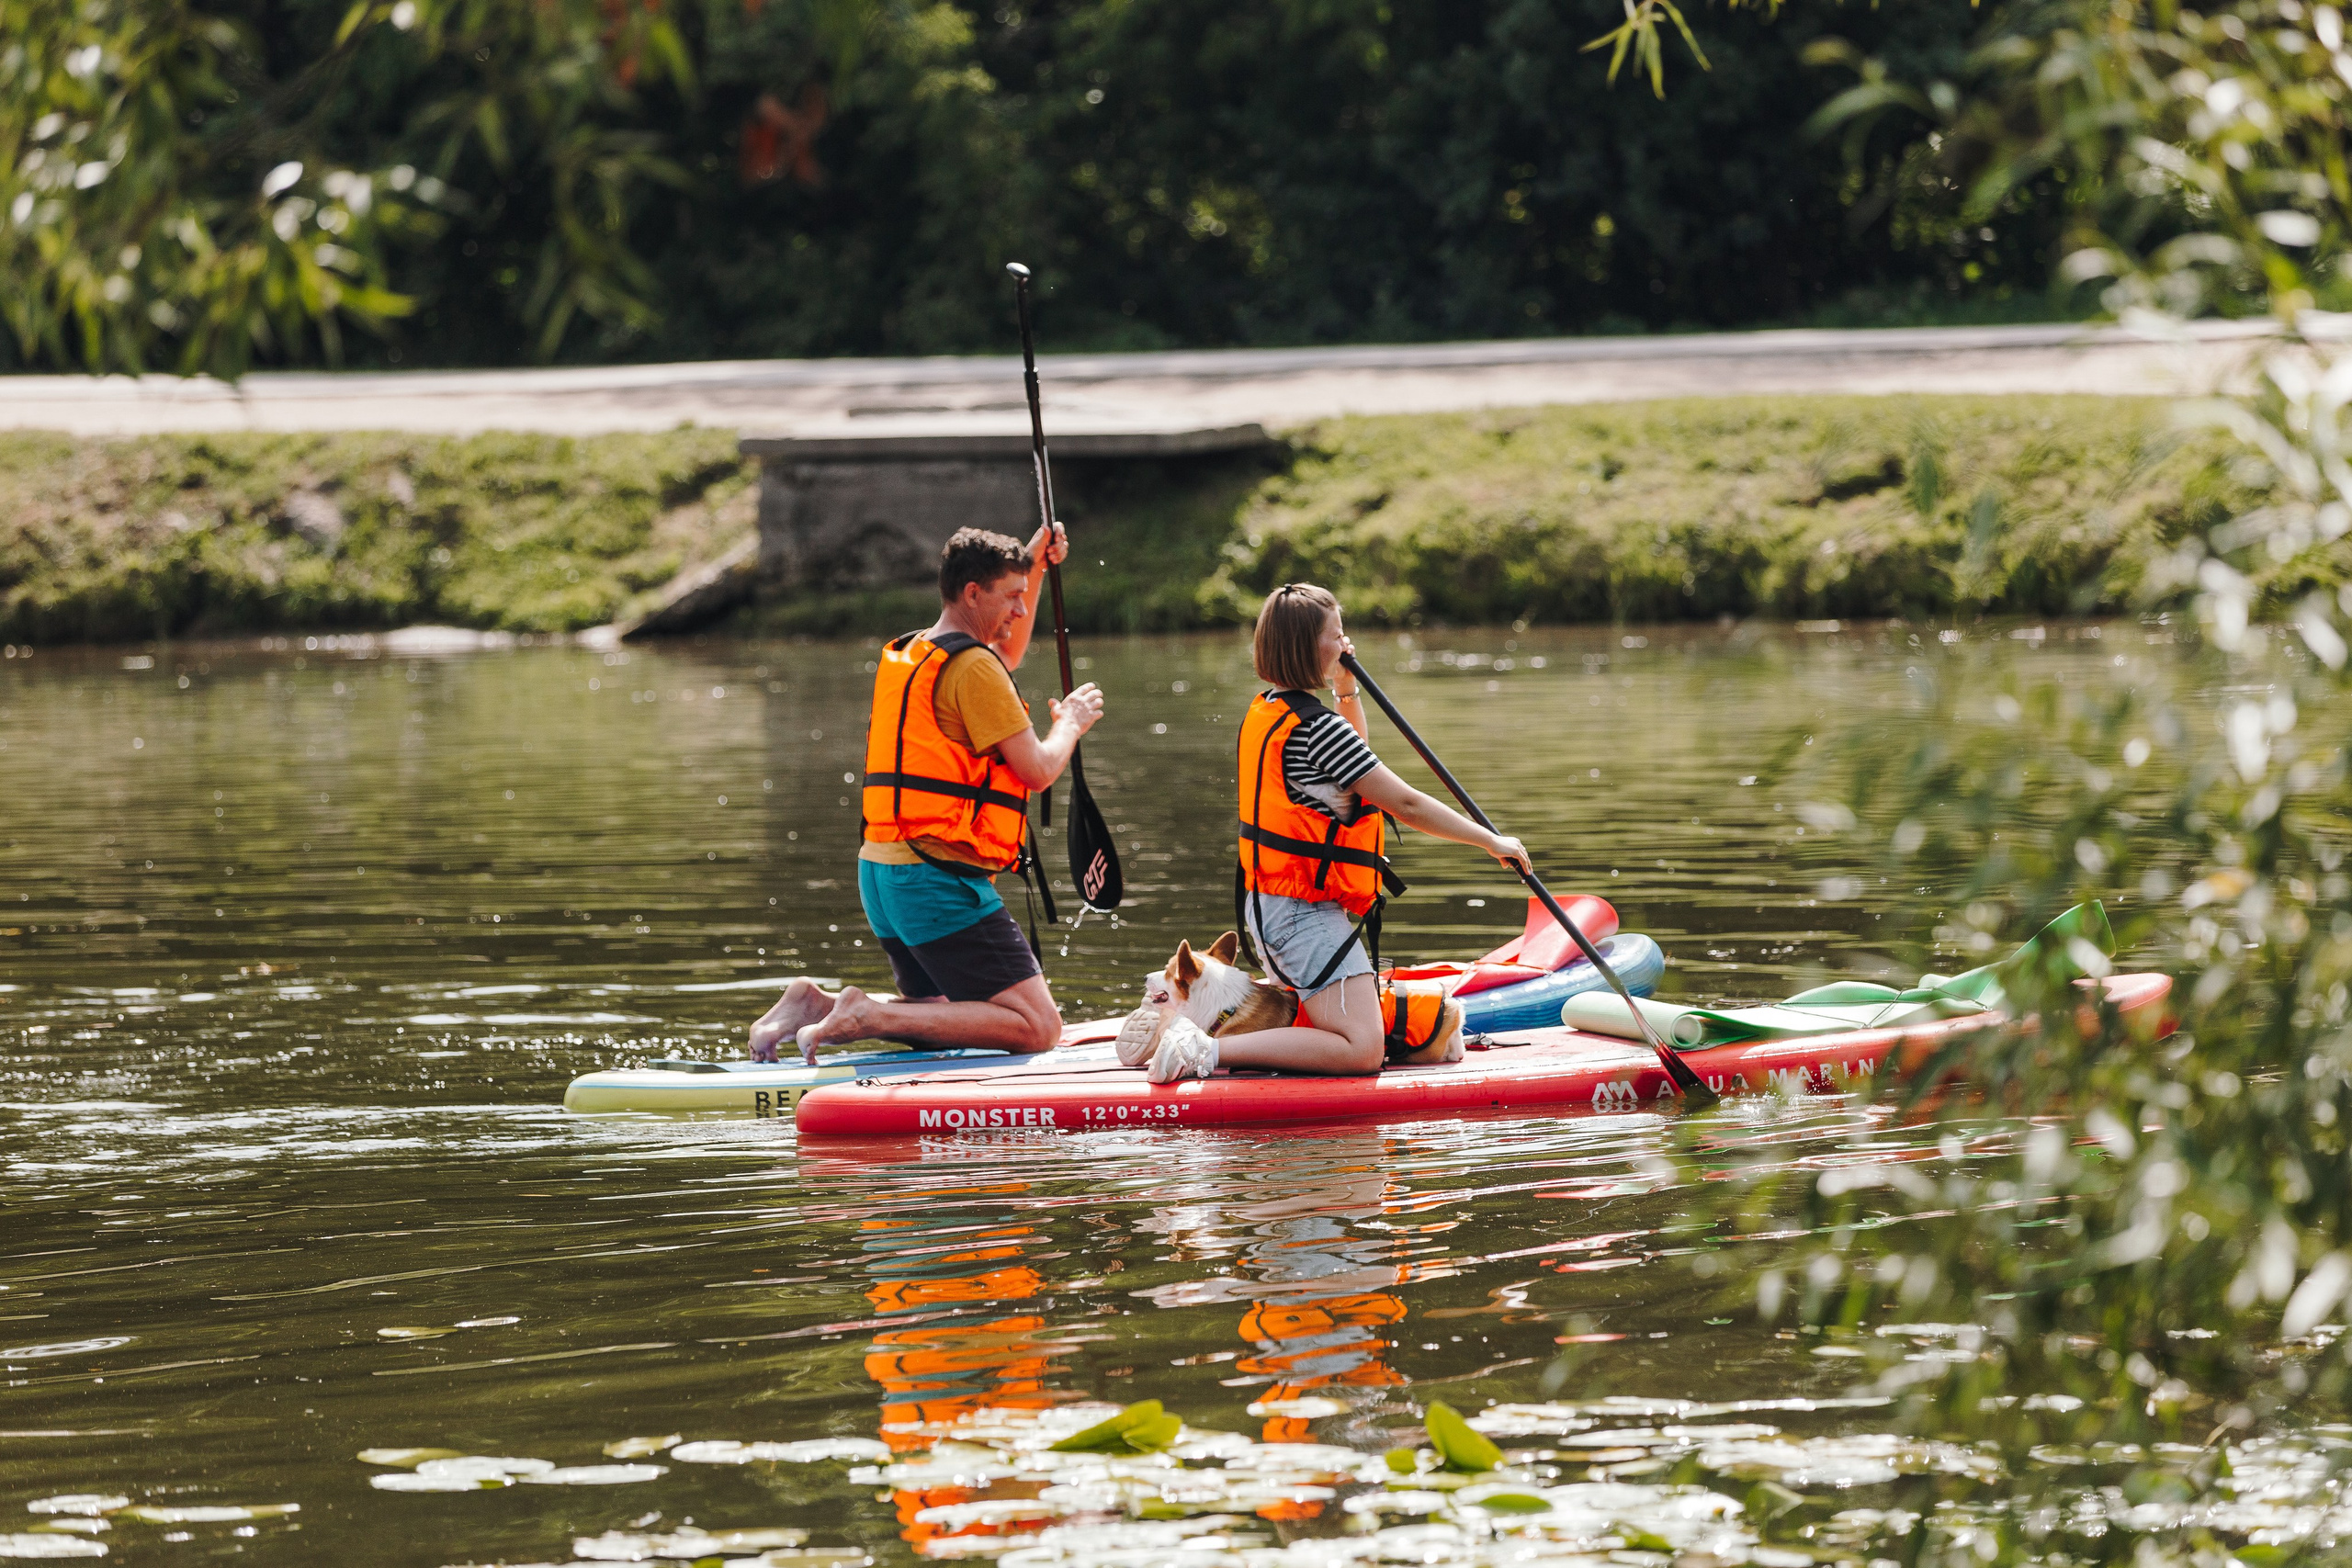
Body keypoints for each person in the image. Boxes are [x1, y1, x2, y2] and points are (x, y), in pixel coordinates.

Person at [1141, 582, 1529, 1084]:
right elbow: (1405, 802)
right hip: (1301, 919)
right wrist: (1490, 841)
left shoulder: (1269, 710)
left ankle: (1212, 1031)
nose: (1346, 645)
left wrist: (1346, 689)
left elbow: (1349, 772)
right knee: (1361, 1049)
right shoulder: (1319, 729)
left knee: (1328, 1024)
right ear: (1308, 647)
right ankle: (1202, 1049)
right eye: (1337, 635)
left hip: (1267, 908)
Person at [749, 522, 1102, 1065]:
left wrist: (1033, 562)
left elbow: (1004, 655)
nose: (1018, 610)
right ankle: (866, 1015)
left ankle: (816, 1008)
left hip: (883, 872)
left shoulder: (919, 652)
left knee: (942, 1015)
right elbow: (1035, 771)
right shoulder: (975, 669)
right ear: (972, 593)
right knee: (1037, 1027)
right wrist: (1071, 724)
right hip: (932, 880)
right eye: (1011, 597)